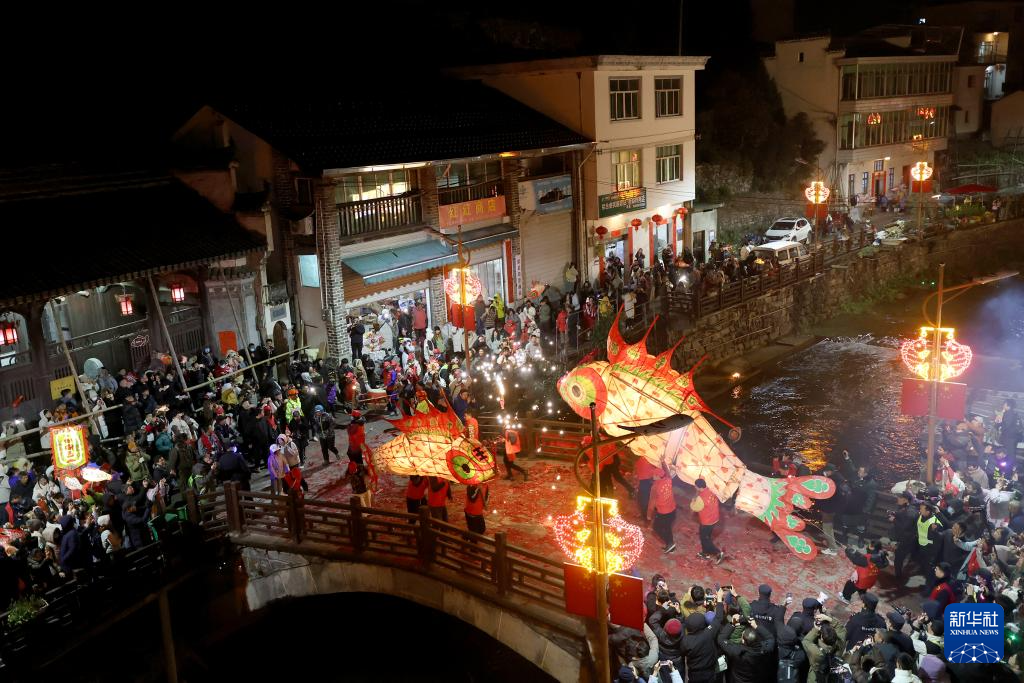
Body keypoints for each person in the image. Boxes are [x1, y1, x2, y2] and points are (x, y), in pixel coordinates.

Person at [716, 615, 776, 683]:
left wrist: (732, 623)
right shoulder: (765, 649)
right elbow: (770, 638)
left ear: (743, 641)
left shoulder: (736, 651)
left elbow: (721, 639)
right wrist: (756, 626)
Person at [803, 616, 848, 683]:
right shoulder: (840, 643)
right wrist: (828, 618)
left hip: (816, 679)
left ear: (822, 638)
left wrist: (816, 629)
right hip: (829, 675)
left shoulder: (817, 652)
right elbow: (841, 630)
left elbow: (806, 641)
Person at [692, 478, 723, 563]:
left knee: (705, 539)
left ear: (698, 487)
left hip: (706, 521)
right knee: (706, 537)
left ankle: (718, 553)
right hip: (714, 518)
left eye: (695, 486)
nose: (694, 487)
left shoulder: (700, 498)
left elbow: (694, 508)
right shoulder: (711, 490)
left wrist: (693, 500)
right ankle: (705, 553)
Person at [647, 469, 677, 553]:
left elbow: (652, 502)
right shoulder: (668, 480)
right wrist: (664, 463)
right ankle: (670, 545)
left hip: (663, 512)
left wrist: (649, 515)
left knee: (657, 528)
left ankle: (670, 543)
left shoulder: (655, 487)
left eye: (654, 474)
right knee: (667, 527)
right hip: (672, 509)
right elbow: (668, 472)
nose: (652, 475)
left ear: (657, 476)